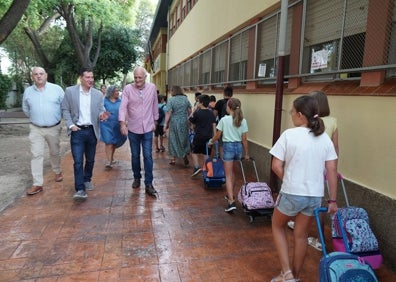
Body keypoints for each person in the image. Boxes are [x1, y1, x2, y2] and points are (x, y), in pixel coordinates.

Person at [269, 95, 338, 282]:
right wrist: (332, 200)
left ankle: (287, 273)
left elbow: (276, 166)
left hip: (292, 192)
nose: (291, 115)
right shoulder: (324, 139)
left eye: (292, 112)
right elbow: (332, 169)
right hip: (314, 196)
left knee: (277, 225)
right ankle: (296, 275)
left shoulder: (289, 135)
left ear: (300, 115)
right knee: (301, 236)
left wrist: (289, 180)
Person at [287, 90, 339, 251]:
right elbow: (335, 148)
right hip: (325, 166)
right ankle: (319, 238)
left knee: (302, 194)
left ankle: (308, 231)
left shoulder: (308, 122)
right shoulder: (333, 121)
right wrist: (333, 168)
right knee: (317, 201)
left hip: (308, 165)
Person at [62, 67, 109, 200]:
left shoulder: (98, 94)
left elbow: (101, 109)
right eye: (88, 77)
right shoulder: (70, 92)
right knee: (77, 161)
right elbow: (65, 109)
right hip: (77, 130)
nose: (91, 80)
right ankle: (80, 189)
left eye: (92, 77)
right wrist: (71, 125)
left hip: (91, 131)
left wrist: (102, 115)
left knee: (90, 159)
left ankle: (87, 178)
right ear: (81, 78)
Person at [22, 66, 65, 195]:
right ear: (32, 77)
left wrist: (56, 118)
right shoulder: (28, 91)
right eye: (36, 74)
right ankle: (37, 184)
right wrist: (37, 117)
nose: (39, 76)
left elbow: (64, 106)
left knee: (54, 151)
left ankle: (57, 171)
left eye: (41, 73)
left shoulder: (57, 89)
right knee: (36, 154)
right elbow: (25, 108)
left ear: (46, 75)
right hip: (35, 128)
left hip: (53, 127)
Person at [119, 66, 158, 197]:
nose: (137, 80)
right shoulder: (128, 89)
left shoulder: (152, 88)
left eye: (139, 77)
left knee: (148, 155)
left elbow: (154, 105)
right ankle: (136, 177)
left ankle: (149, 183)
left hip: (147, 127)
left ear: (145, 77)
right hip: (133, 129)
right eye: (135, 77)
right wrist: (122, 123)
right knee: (135, 155)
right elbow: (123, 107)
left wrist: (155, 121)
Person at [208, 98, 249, 212]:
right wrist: (246, 154)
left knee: (228, 175)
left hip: (228, 147)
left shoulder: (224, 120)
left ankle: (231, 201)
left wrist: (211, 141)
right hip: (238, 147)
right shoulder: (243, 120)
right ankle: (229, 194)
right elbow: (244, 139)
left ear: (229, 107)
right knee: (233, 173)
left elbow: (218, 135)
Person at [189, 94, 216, 177]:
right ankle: (206, 168)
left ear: (200, 103)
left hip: (198, 136)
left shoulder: (197, 113)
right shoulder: (211, 113)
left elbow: (190, 119)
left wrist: (194, 110)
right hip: (208, 137)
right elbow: (214, 125)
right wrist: (214, 138)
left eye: (198, 102)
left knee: (194, 151)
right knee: (206, 153)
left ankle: (197, 167)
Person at [164, 85, 192, 166]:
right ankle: (184, 155)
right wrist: (190, 121)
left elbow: (168, 112)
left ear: (173, 91)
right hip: (184, 121)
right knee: (183, 139)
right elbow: (190, 110)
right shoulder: (185, 99)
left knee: (173, 139)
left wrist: (165, 124)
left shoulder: (171, 100)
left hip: (175, 122)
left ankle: (173, 159)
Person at [100, 85, 127, 168]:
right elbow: (100, 111)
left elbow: (125, 112)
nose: (118, 92)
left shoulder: (120, 101)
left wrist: (125, 122)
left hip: (117, 125)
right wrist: (102, 115)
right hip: (106, 125)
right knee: (108, 142)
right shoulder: (104, 101)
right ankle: (108, 161)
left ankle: (111, 158)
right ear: (111, 92)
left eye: (118, 91)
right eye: (116, 91)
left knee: (114, 143)